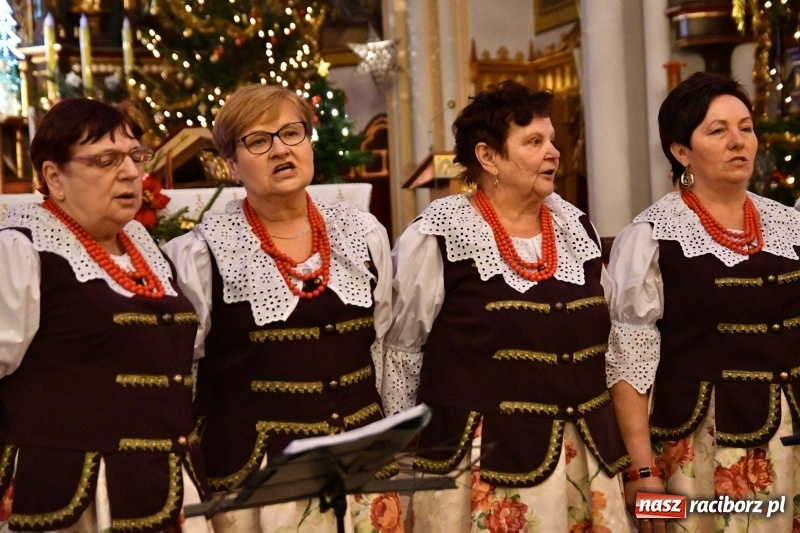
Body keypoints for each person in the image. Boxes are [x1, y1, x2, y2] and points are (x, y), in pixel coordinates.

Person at [384, 79, 631, 532]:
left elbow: (613, 340)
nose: (553, 152)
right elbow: (401, 352)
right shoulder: (438, 234)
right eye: (534, 142)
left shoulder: (576, 226)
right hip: (482, 466)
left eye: (552, 140)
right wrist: (403, 463)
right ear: (488, 157)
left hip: (585, 458)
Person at [163, 84, 401, 532]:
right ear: (231, 164)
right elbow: (184, 375)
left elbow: (383, 345)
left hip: (363, 477)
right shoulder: (202, 253)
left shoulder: (363, 233)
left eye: (292, 133)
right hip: (260, 487)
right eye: (258, 140)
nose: (280, 150)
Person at [0, 98, 211, 531]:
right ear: (54, 177)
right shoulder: (20, 250)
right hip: (74, 496)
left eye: (136, 156)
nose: (132, 172)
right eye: (107, 159)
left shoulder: (142, 244)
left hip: (164, 486)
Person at [606, 71, 800, 533]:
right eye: (718, 131)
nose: (739, 142)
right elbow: (629, 366)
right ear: (681, 151)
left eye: (746, 127)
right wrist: (642, 472)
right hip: (701, 449)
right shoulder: (651, 237)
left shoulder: (787, 223)